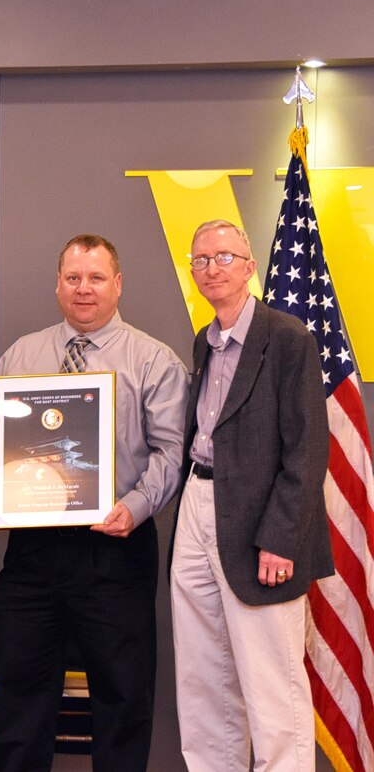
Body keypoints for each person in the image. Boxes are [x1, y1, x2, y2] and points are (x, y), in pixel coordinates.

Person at [0, 234, 189, 772]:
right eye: (73, 278)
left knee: (122, 702)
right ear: (58, 284)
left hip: (116, 551)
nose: (83, 289)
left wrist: (134, 509)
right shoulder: (24, 352)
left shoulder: (153, 359)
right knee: (19, 703)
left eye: (95, 278)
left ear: (118, 285)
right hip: (32, 555)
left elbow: (172, 451)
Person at [169, 219, 334, 771]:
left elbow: (307, 451)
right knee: (203, 677)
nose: (211, 269)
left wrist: (281, 539)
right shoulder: (204, 340)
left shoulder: (289, 338)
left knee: (273, 686)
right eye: (200, 260)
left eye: (223, 257)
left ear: (249, 266)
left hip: (259, 522)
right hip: (197, 504)